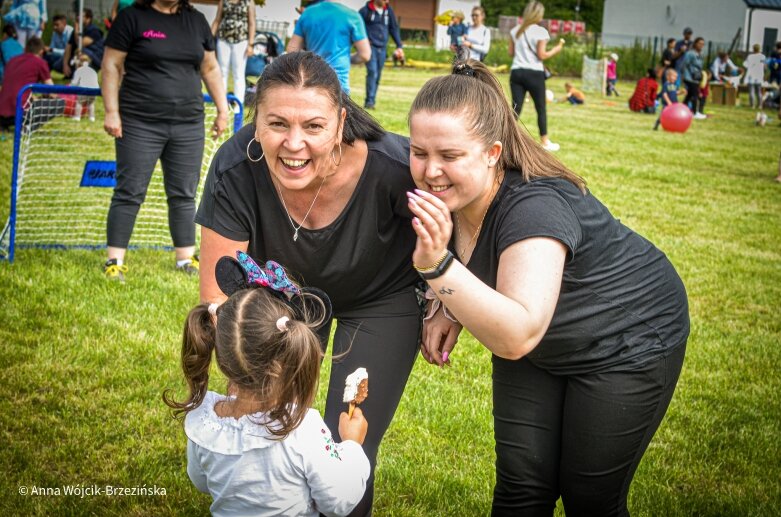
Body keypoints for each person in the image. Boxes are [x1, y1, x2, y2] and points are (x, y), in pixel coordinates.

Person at [406, 57, 689, 516]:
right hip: (540, 342)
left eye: (450, 156)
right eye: (420, 152)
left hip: (626, 339)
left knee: (589, 498)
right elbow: (481, 258)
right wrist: (448, 305)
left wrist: (438, 270)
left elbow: (517, 333)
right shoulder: (452, 191)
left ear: (493, 153)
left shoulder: (533, 207)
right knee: (521, 487)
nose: (430, 171)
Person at [196, 51, 434, 516]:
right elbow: (220, 298)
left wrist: (444, 304)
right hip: (282, 304)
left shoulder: (394, 166)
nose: (293, 143)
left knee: (347, 434)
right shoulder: (234, 168)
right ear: (254, 120)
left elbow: (461, 220)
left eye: (313, 126)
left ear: (341, 122)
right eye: (277, 124)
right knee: (270, 428)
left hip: (380, 297)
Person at [164, 254, 370, 517]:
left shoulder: (205, 422)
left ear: (223, 355)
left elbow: (200, 480)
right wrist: (352, 445)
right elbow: (339, 502)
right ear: (287, 358)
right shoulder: (303, 430)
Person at [101, 0, 229, 281]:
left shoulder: (196, 21)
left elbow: (210, 68)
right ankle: (114, 260)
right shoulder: (131, 18)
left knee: (184, 193)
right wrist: (112, 111)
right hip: (139, 122)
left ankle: (185, 258)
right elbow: (111, 65)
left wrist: (222, 109)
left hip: (188, 123)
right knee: (129, 191)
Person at [508, 1, 565, 152]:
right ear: (539, 15)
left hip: (517, 72)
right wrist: (557, 49)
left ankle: (504, 136)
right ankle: (544, 141)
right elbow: (542, 55)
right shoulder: (540, 32)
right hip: (534, 73)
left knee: (515, 108)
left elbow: (511, 53)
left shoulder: (515, 31)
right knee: (540, 107)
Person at [286, 0, 370, 95]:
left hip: (312, 79)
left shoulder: (307, 14)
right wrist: (347, 58)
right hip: (339, 82)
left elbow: (292, 49)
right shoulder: (352, 16)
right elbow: (365, 55)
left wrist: (307, 59)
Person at [358, 0, 404, 110]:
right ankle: (369, 101)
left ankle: (371, 100)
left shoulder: (388, 11)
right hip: (370, 47)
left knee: (377, 75)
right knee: (372, 72)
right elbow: (358, 27)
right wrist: (363, 41)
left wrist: (399, 46)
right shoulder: (365, 11)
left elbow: (393, 28)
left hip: (382, 48)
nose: (387, 1)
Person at [0, 36, 52, 131]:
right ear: (41, 51)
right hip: (21, 114)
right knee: (59, 103)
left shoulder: (12, 60)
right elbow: (53, 91)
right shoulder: (40, 62)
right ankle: (27, 128)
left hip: (2, 113)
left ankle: (3, 126)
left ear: (25, 49)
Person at [211, 0, 255, 104]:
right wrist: (209, 38)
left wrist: (251, 44)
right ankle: (220, 101)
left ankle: (238, 103)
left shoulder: (249, 2)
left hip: (241, 41)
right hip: (223, 39)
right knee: (222, 71)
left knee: (238, 73)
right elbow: (217, 19)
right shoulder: (223, 1)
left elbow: (252, 22)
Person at [62, 9, 104, 78]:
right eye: (78, 15)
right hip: (81, 56)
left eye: (81, 16)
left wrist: (76, 30)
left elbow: (80, 45)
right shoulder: (78, 30)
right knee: (57, 64)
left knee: (80, 53)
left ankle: (83, 75)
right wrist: (65, 65)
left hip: (95, 58)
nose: (78, 17)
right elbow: (68, 46)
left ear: (88, 18)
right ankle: (72, 73)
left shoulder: (94, 30)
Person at [681, 36, 706, 119]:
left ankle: (681, 109)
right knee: (695, 94)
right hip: (689, 77)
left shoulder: (700, 55)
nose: (701, 45)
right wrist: (684, 76)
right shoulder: (690, 53)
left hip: (696, 78)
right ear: (695, 44)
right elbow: (684, 64)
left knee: (689, 95)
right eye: (699, 43)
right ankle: (695, 113)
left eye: (703, 44)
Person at [70, 53, 99, 122]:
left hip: (83, 90)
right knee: (91, 103)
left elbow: (75, 82)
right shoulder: (92, 70)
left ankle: (77, 116)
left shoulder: (79, 71)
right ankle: (92, 117)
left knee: (79, 103)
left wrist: (71, 86)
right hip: (93, 90)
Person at [743, 44, 766, 109]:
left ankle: (752, 105)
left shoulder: (750, 56)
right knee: (759, 91)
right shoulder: (762, 56)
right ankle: (760, 105)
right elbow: (763, 66)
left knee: (751, 91)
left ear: (753, 49)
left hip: (751, 76)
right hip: (759, 76)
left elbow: (745, 64)